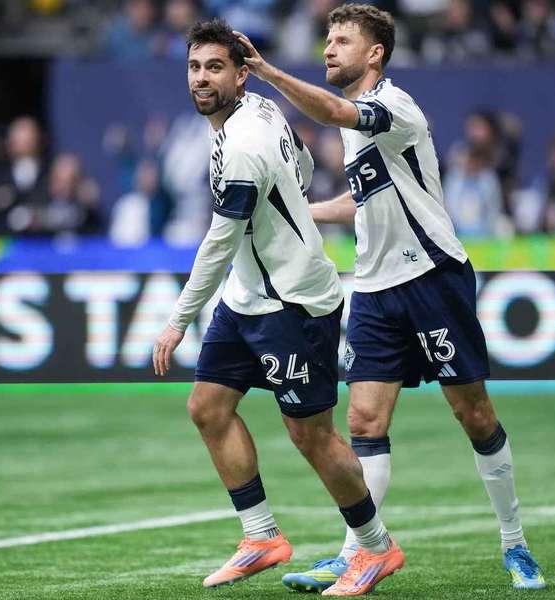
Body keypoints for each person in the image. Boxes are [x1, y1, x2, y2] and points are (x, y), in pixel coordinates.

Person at [234, 3, 546, 592]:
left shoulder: (393, 107)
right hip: (375, 288)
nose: (328, 48)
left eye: (342, 40)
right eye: (327, 38)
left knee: (473, 414)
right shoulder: (359, 130)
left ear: (374, 53)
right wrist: (294, 211)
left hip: (432, 276)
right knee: (363, 419)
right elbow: (361, 199)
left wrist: (271, 74)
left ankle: (515, 544)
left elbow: (330, 110)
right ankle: (360, 551)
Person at [151, 19, 404, 592]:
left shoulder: (241, 144)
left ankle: (375, 548)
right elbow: (306, 169)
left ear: (242, 75)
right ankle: (261, 536)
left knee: (311, 435)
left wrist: (175, 323)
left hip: (294, 303)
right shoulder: (259, 110)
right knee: (208, 408)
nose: (201, 79)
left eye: (215, 68)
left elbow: (219, 243)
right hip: (248, 299)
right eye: (194, 68)